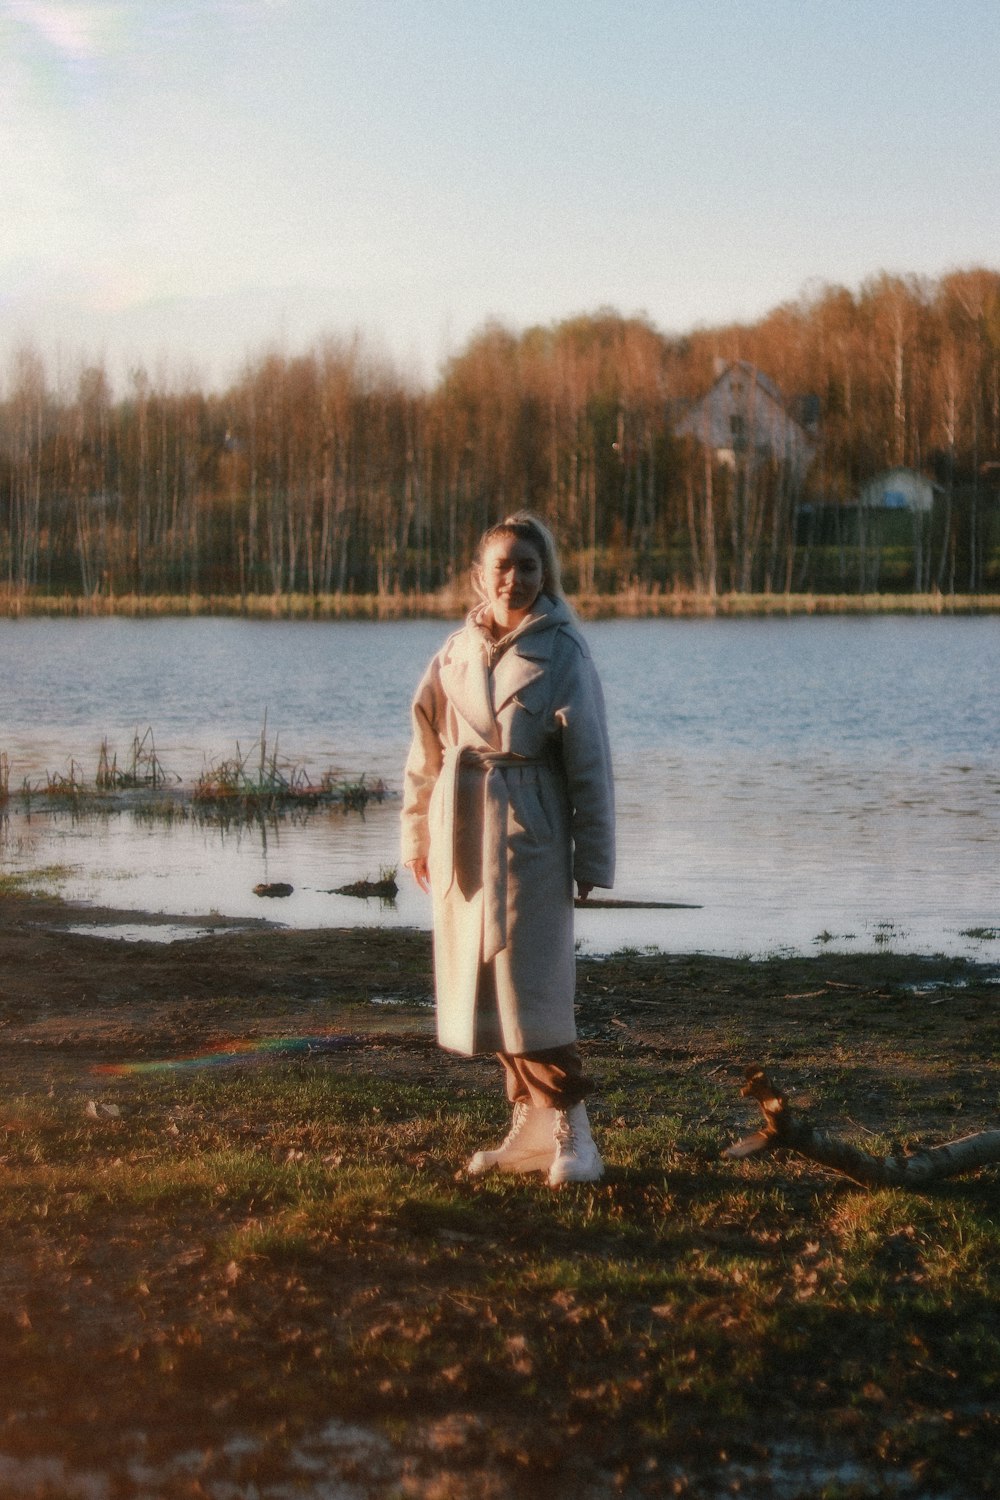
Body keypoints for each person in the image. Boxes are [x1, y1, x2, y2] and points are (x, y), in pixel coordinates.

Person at [401, 511, 615, 1186]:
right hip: (461, 828)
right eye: (503, 566)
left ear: (544, 572)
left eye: (528, 565)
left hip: (532, 831)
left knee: (535, 988)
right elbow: (425, 750)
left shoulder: (564, 652)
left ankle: (577, 1136)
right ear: (481, 575)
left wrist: (593, 859)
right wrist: (417, 836)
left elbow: (590, 760)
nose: (515, 579)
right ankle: (528, 1130)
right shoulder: (454, 652)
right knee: (486, 986)